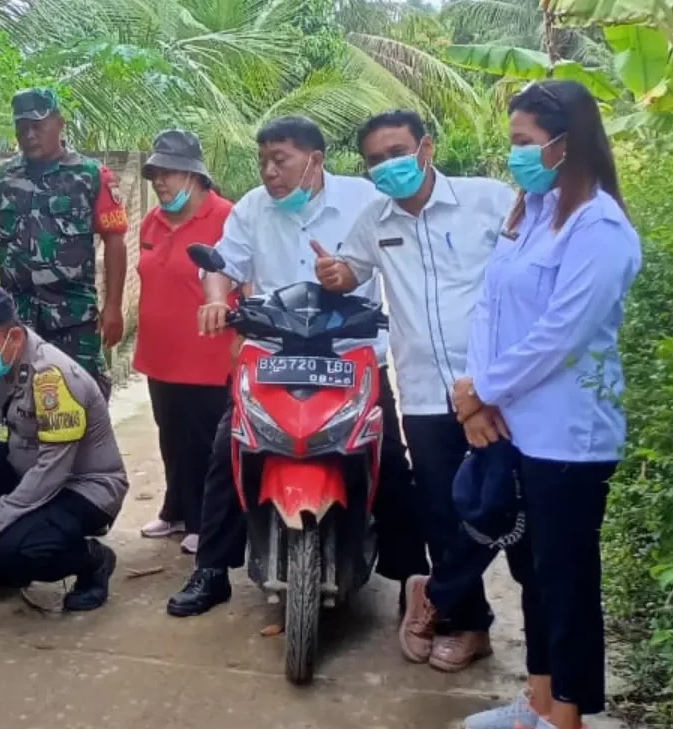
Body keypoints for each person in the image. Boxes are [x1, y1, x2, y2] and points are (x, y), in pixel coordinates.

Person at [437, 79, 642, 729]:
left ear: (566, 142)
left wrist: (482, 390)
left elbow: (562, 334)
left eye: (525, 142)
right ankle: (539, 700)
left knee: (565, 578)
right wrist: (473, 393)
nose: (515, 155)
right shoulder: (537, 211)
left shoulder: (601, 230)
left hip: (569, 437)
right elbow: (493, 309)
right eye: (514, 141)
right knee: (530, 572)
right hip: (516, 425)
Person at [166, 115, 426, 618]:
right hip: (275, 357)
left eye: (280, 160)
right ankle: (213, 570)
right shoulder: (252, 209)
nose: (268, 172)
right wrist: (216, 300)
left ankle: (413, 582)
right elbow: (220, 265)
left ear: (315, 160)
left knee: (388, 457)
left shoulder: (363, 201)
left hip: (350, 354)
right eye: (263, 161)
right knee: (229, 449)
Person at [312, 110, 513, 671]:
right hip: (426, 395)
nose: (387, 166)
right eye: (376, 159)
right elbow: (350, 270)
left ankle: (436, 589)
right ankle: (467, 623)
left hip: (497, 389)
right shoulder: (375, 220)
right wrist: (337, 276)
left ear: (426, 147)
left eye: (397, 151)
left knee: (502, 508)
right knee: (445, 512)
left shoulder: (487, 201)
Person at [0, 287, 128, 610]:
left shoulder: (52, 378)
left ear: (14, 336)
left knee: (22, 550)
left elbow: (53, 470)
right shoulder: (1, 362)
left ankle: (92, 562)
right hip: (31, 473)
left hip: (82, 487)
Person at [0, 88, 128, 398]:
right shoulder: (0, 178)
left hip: (74, 316)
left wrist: (113, 305)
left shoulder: (90, 175)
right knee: (21, 401)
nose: (30, 135)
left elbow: (115, 241)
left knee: (85, 398)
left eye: (38, 126)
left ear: (60, 123)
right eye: (23, 128)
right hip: (18, 317)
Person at [133, 128, 234, 556]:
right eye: (156, 173)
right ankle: (175, 509)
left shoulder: (226, 218)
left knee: (206, 441)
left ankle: (202, 520)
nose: (160, 182)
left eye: (170, 173)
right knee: (170, 435)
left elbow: (242, 281)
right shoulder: (152, 222)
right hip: (159, 354)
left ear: (195, 176)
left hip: (207, 354)